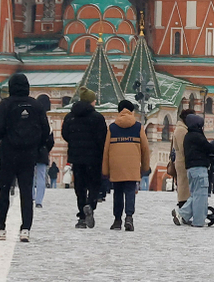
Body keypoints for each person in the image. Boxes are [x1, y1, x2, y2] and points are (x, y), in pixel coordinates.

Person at [0, 73, 51, 240]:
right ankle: (25, 229)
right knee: (26, 191)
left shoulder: (5, 104)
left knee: (4, 190)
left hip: (9, 153)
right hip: (29, 154)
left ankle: (1, 228)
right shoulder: (36, 105)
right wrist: (36, 145)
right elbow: (46, 130)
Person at [61, 87, 107, 229]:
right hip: (94, 158)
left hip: (76, 157)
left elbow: (65, 134)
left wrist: (75, 143)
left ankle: (81, 216)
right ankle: (90, 205)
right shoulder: (97, 118)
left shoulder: (70, 116)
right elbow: (102, 138)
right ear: (91, 102)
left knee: (79, 186)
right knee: (94, 184)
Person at [101, 99, 149, 231]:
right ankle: (129, 217)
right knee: (130, 191)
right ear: (131, 111)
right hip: (132, 166)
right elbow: (145, 149)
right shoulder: (138, 127)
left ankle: (117, 220)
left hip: (116, 166)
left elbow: (106, 150)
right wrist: (145, 167)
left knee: (117, 192)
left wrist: (105, 169)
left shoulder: (112, 127)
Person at [180, 111, 213, 228]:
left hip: (191, 169)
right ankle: (198, 221)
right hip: (199, 168)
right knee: (201, 195)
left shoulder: (188, 136)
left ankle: (182, 215)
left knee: (195, 195)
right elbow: (209, 148)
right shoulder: (197, 136)